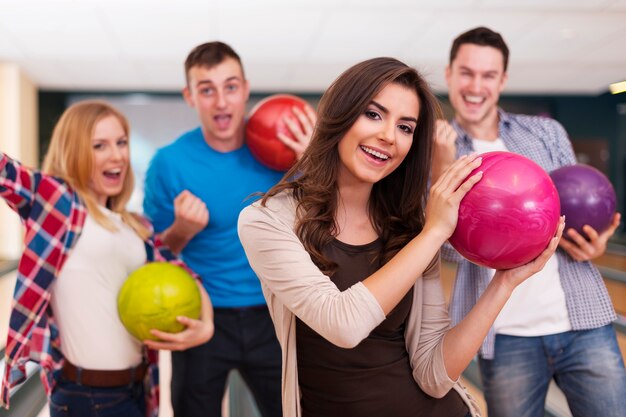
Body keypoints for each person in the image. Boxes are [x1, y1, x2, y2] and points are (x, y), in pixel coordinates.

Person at [237, 56, 564, 417]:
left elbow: (434, 375)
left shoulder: (406, 228)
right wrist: (434, 232)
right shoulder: (266, 221)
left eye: (406, 127)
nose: (389, 136)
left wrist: (503, 284)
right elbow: (342, 324)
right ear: (339, 115)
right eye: (373, 114)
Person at [433, 26, 626, 417]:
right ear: (450, 74)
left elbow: (575, 210)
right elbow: (445, 250)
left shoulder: (544, 132)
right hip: (503, 337)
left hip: (582, 319)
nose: (476, 86)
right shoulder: (434, 149)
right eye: (467, 72)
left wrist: (595, 241)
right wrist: (440, 165)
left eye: (488, 75)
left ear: (502, 80)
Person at [0, 100, 214, 417]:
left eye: (121, 142)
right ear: (73, 151)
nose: (117, 155)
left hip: (137, 390)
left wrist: (206, 326)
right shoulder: (58, 202)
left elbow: (182, 272)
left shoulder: (137, 225)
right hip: (86, 397)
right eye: (99, 145)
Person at [143, 41, 316, 417]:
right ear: (190, 96)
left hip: (275, 314)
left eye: (230, 86)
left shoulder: (284, 152)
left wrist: (314, 162)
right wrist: (182, 230)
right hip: (202, 316)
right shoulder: (168, 164)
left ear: (246, 89)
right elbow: (155, 253)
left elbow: (327, 223)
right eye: (207, 89)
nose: (221, 101)